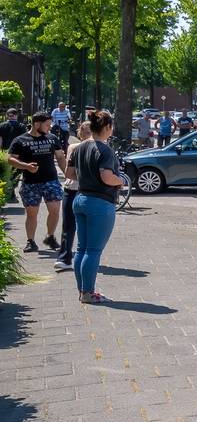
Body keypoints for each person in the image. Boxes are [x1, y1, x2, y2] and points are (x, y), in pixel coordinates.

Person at [69, 110, 125, 303]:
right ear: (108, 127)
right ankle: (88, 293)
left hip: (80, 198)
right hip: (100, 203)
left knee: (82, 248)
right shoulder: (106, 150)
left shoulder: (79, 147)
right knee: (93, 251)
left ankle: (82, 291)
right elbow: (106, 176)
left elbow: (69, 173)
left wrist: (87, 177)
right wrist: (120, 182)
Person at [7, 111, 66, 253]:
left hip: (50, 180)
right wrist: (26, 166)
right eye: (47, 124)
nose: (49, 127)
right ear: (36, 124)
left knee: (55, 210)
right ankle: (30, 241)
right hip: (30, 182)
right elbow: (10, 159)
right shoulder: (20, 140)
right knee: (32, 213)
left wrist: (67, 174)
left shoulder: (52, 138)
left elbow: (60, 157)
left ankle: (50, 237)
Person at [54, 121, 92, 272]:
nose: (89, 135)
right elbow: (72, 171)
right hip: (76, 188)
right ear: (81, 134)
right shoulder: (76, 147)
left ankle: (72, 257)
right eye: (86, 132)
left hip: (78, 189)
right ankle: (69, 257)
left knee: (76, 226)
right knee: (73, 225)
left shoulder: (76, 147)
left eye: (91, 132)